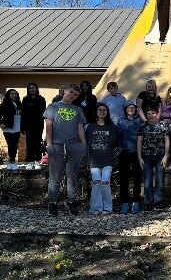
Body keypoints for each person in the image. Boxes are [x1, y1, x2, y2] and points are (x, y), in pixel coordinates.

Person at [44, 84, 88, 217]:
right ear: (65, 91)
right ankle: (52, 203)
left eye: (75, 95)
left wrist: (83, 145)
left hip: (73, 145)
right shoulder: (53, 107)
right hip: (57, 145)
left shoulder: (77, 109)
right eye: (71, 92)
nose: (72, 95)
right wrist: (49, 144)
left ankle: (71, 201)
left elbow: (80, 128)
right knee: (55, 176)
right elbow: (48, 126)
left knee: (72, 176)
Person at [86, 103, 118, 215]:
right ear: (96, 111)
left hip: (107, 160)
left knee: (105, 182)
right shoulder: (90, 127)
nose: (102, 111)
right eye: (99, 109)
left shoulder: (112, 127)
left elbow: (117, 142)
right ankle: (95, 208)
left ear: (107, 112)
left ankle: (107, 208)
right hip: (94, 160)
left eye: (104, 110)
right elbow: (86, 142)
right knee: (96, 182)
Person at [137, 106, 170, 209]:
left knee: (160, 179)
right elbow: (139, 141)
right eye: (148, 114)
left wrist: (166, 155)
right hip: (146, 155)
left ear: (157, 114)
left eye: (153, 113)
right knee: (147, 180)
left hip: (160, 155)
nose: (151, 115)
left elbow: (167, 140)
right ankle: (148, 203)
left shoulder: (162, 124)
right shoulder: (143, 126)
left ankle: (158, 202)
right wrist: (139, 157)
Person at [117, 101, 143, 214]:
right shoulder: (121, 121)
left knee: (137, 178)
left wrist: (140, 154)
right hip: (124, 152)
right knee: (124, 178)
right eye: (129, 108)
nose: (131, 109)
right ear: (125, 109)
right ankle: (124, 202)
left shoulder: (139, 121)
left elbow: (141, 137)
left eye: (133, 107)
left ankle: (136, 202)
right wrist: (119, 147)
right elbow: (118, 135)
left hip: (136, 153)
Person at [21, 82, 47, 170]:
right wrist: (23, 126)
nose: (31, 89)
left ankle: (38, 161)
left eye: (33, 88)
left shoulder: (41, 99)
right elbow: (23, 113)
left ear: (36, 89)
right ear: (28, 90)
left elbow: (43, 112)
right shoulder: (25, 99)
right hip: (28, 125)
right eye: (30, 88)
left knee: (37, 143)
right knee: (30, 143)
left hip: (38, 124)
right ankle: (30, 162)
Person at [0, 89, 22, 170]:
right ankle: (11, 161)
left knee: (15, 145)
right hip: (8, 128)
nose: (14, 96)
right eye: (12, 94)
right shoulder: (4, 104)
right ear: (8, 95)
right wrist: (0, 123)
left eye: (15, 94)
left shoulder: (19, 104)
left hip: (17, 127)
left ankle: (13, 161)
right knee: (10, 145)